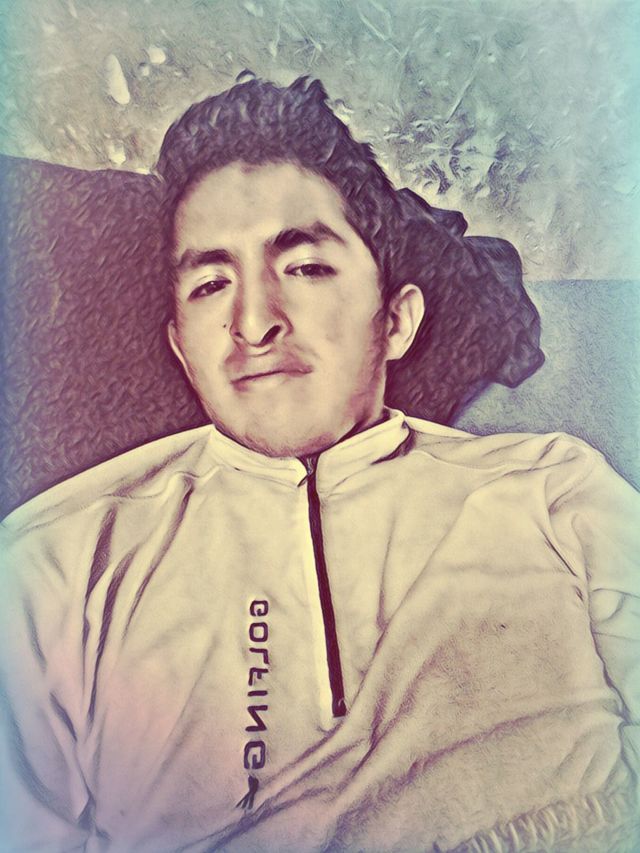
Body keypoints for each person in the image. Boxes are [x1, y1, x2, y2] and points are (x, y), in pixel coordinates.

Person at [1, 76, 638, 853]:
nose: (254, 322)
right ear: (181, 349)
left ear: (396, 319)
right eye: (210, 284)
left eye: (304, 268)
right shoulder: (56, 564)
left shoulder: (553, 488)